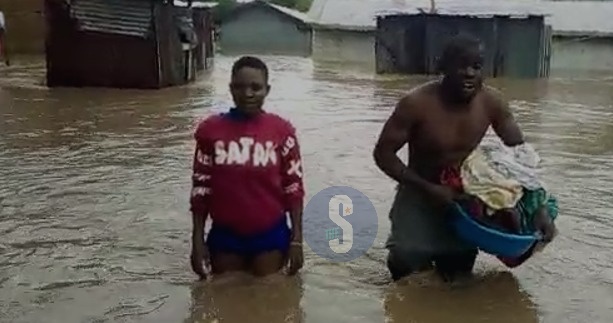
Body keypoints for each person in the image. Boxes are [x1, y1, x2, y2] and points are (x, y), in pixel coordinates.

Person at [372, 33, 529, 283]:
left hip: (463, 200)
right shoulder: (416, 104)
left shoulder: (492, 103)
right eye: (461, 65)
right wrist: (429, 189)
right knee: (405, 273)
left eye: (476, 66)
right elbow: (383, 154)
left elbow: (522, 157)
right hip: (418, 195)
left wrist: (538, 206)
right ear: (442, 67)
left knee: (458, 277)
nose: (469, 73)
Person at [189, 56, 305, 280]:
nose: (248, 94)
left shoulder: (282, 133)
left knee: (270, 300)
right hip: (225, 237)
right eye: (240, 87)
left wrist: (297, 240)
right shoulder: (210, 132)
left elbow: (294, 189)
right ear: (231, 89)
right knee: (223, 299)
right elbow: (200, 191)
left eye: (255, 87)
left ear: (267, 90)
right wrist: (197, 242)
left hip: (270, 237)